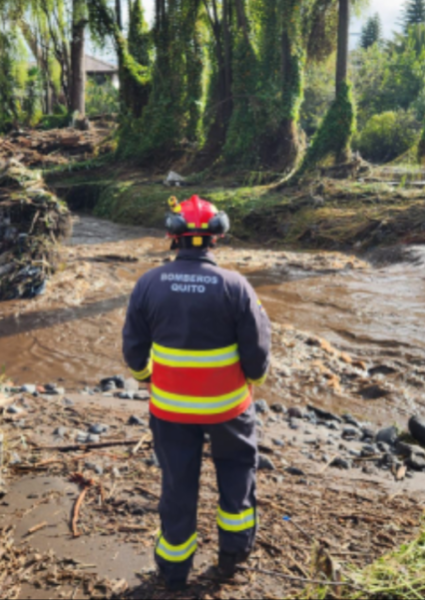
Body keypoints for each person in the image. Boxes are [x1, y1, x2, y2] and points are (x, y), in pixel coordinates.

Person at [122, 194, 271, 591]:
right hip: (228, 408)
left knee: (177, 484)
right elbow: (257, 353)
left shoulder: (148, 284)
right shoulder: (236, 286)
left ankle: (173, 570)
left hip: (170, 410)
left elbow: (134, 351)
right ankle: (233, 556)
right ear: (215, 239)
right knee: (237, 473)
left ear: (173, 238)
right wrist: (254, 379)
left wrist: (145, 376)